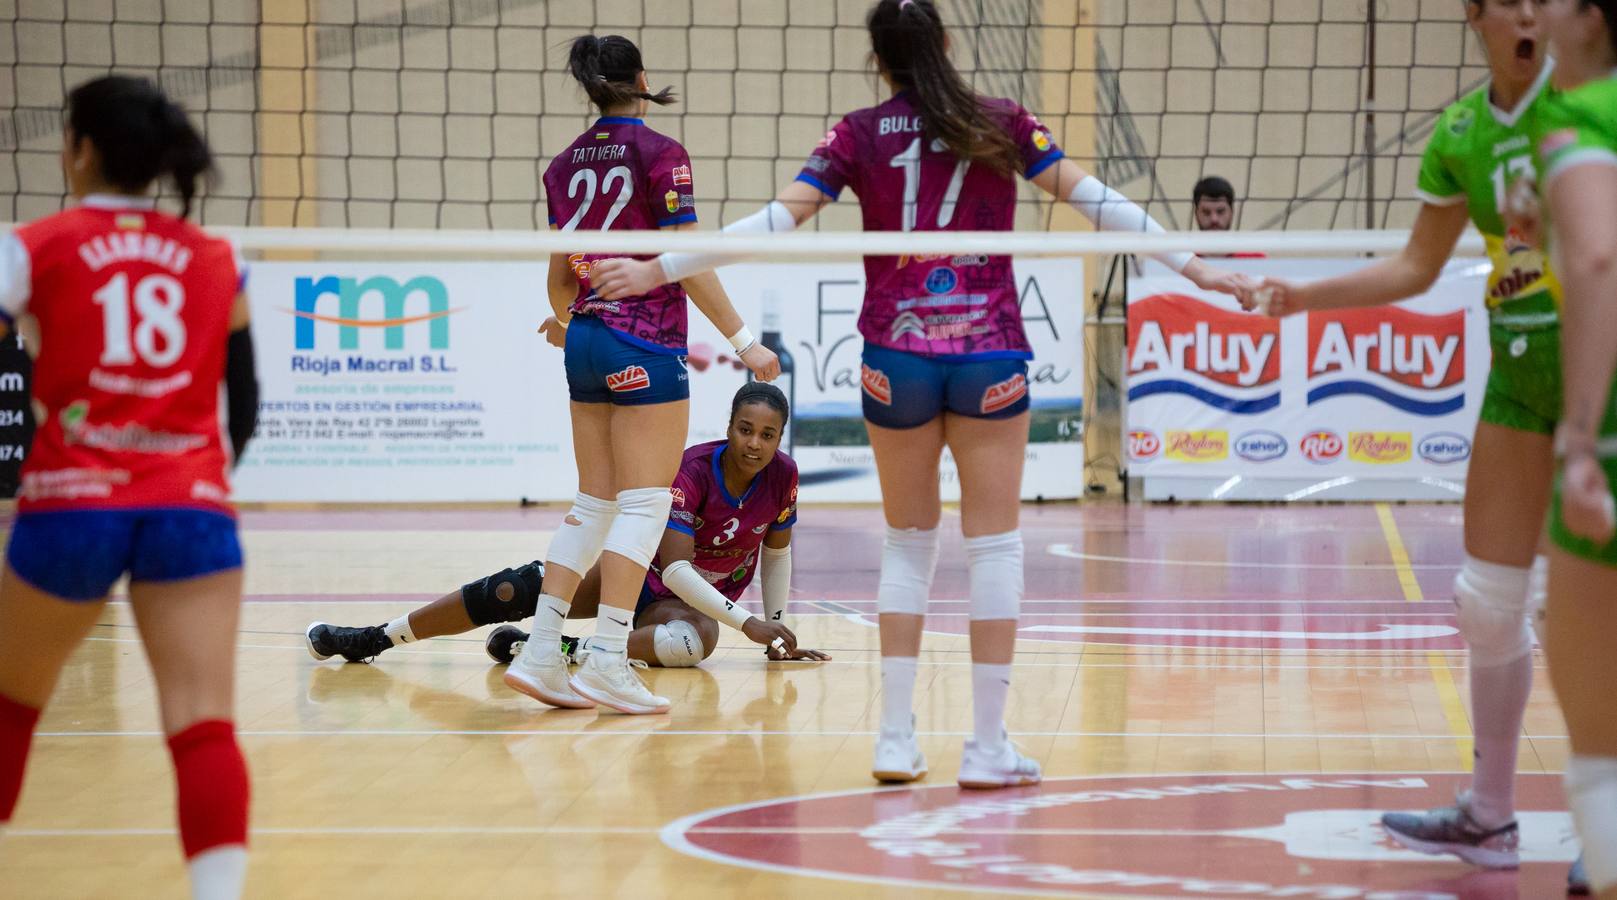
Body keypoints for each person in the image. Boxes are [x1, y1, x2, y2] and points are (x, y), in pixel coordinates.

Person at [590, 0, 1248, 788]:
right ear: (944, 43)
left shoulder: (858, 133)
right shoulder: (1000, 119)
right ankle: (987, 747)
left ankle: (894, 741)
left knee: (908, 543)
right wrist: (1201, 268)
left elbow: (775, 219)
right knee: (993, 547)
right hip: (987, 349)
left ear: (879, 60)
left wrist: (656, 267)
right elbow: (1099, 202)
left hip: (892, 357)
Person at [1255, 0, 1575, 879]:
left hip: (1601, 370)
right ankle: (1490, 815)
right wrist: (1302, 297)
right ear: (1474, 15)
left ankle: (1605, 817)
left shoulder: (1593, 104)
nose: (1527, 12)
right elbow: (1414, 267)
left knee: (1587, 608)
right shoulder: (1462, 130)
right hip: (1517, 376)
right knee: (1486, 599)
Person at [0, 76, 258, 899]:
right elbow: (245, 398)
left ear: (80, 149)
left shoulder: (32, 244)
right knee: (203, 726)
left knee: (9, 711)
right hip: (190, 507)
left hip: (72, 504)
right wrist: (206, 475)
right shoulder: (219, 257)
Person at [504, 35, 779, 716]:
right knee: (644, 504)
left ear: (591, 89)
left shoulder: (563, 165)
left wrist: (570, 323)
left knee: (593, 503)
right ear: (641, 81)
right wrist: (745, 343)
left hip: (587, 340)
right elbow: (683, 259)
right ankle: (604, 659)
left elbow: (560, 272)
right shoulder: (661, 155)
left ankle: (541, 653)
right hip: (644, 343)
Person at [305, 384, 829, 669]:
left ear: (780, 436)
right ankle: (377, 637)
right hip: (643, 579)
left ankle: (561, 650)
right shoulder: (693, 469)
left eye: (767, 434)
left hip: (690, 610)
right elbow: (674, 570)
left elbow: (777, 553)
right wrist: (750, 621)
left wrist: (774, 633)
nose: (754, 444)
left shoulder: (783, 477)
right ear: (729, 427)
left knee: (693, 645)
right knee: (511, 589)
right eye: (745, 430)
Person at [1532, 0, 1617, 896]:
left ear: (1589, 18)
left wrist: (1582, 440)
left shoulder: (1577, 121)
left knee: (1600, 755)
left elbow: (1597, 260)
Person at [1193, 175, 1266, 258]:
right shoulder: (1181, 259)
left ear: (1232, 212)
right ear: (1196, 213)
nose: (1214, 219)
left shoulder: (1254, 258)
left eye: (1220, 211)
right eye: (1206, 212)